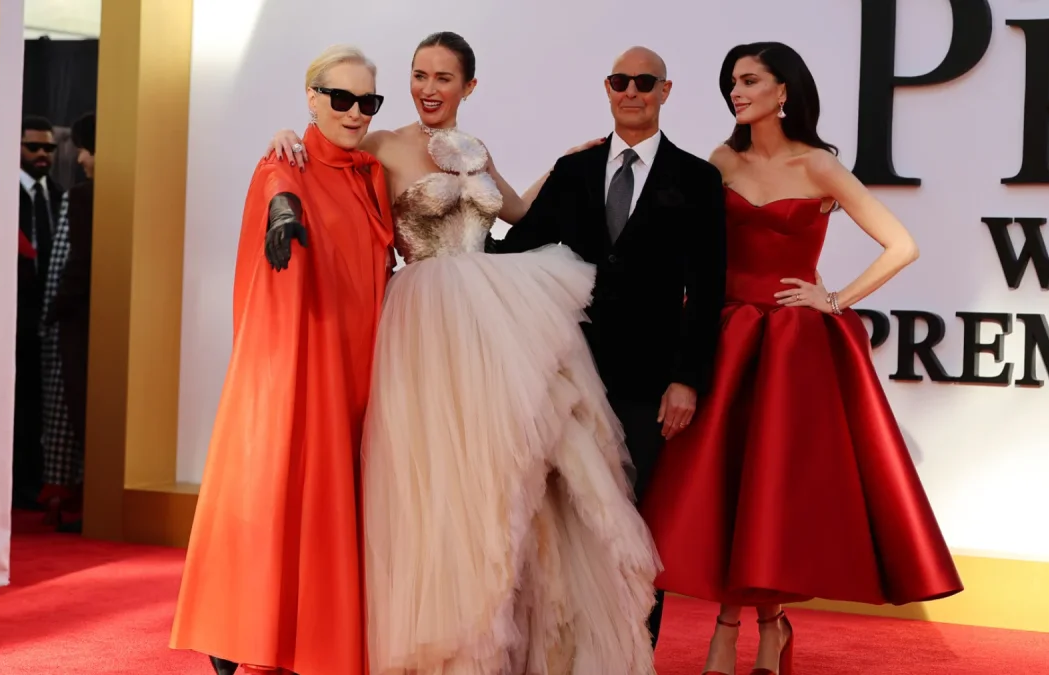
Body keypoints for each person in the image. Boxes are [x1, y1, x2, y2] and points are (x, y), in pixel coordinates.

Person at [267, 33, 660, 674]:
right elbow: (322, 158)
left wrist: (566, 164)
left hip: (492, 315)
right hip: (424, 317)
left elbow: (517, 211)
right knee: (437, 476)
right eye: (419, 74)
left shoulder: (476, 150)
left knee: (511, 472)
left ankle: (514, 634)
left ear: (468, 87)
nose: (428, 88)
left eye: (443, 78)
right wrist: (287, 134)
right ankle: (444, 640)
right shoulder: (381, 142)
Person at [638, 42, 964, 675]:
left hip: (792, 349)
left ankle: (740, 634)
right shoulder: (720, 161)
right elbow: (682, 246)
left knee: (772, 493)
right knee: (729, 490)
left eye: (750, 80)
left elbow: (902, 245)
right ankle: (759, 630)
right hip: (728, 338)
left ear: (783, 91)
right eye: (732, 81)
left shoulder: (820, 167)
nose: (736, 91)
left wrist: (835, 298)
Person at [488, 45, 728, 647]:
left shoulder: (697, 179)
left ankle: (634, 651)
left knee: (635, 519)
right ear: (607, 87)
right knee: (564, 515)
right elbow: (519, 250)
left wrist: (688, 379)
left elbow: (707, 289)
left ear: (665, 92)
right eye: (620, 81)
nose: (631, 91)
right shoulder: (573, 172)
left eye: (644, 82)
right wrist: (441, 251)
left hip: (649, 382)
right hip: (567, 371)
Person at [170, 45, 395, 675]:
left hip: (362, 355)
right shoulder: (284, 157)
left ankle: (309, 628)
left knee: (337, 491)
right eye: (342, 99)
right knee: (276, 478)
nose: (355, 113)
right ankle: (237, 626)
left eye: (367, 102)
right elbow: (278, 184)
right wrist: (282, 213)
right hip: (307, 352)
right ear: (313, 98)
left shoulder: (372, 173)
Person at [38, 112, 97, 532]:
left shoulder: (82, 197)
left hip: (77, 323)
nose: (80, 158)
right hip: (101, 321)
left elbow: (77, 265)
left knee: (76, 407)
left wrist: (53, 310)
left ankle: (85, 503)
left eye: (85, 148)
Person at [15, 114, 64, 513]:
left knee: (39, 407)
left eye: (49, 148)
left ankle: (34, 483)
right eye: (34, 147)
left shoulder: (61, 195)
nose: (43, 155)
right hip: (13, 319)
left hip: (48, 323)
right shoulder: (3, 195)